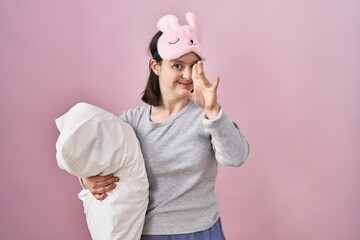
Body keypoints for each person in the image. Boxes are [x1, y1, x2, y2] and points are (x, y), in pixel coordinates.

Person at [82, 12, 250, 239]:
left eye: (194, 65)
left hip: (201, 231)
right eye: (178, 65)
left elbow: (236, 156)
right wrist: (87, 179)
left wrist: (213, 110)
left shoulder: (207, 115)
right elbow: (95, 158)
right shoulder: (132, 122)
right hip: (148, 233)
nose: (188, 74)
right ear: (157, 66)